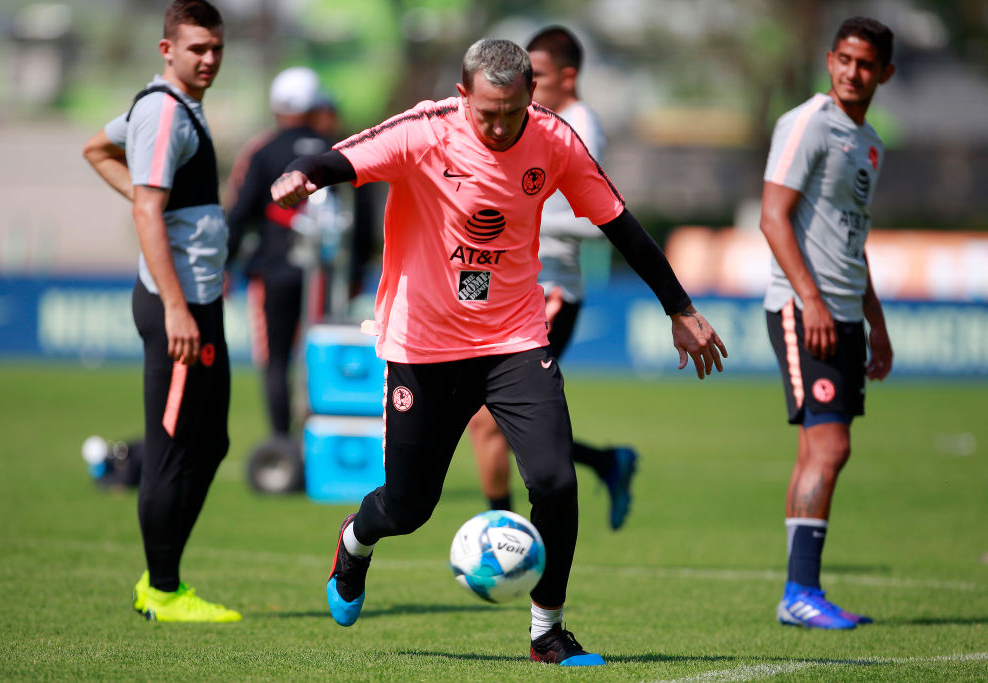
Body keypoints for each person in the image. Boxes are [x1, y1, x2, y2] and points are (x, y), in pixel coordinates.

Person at [270, 39, 727, 666]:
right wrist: (303, 177)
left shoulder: (554, 140)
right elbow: (341, 160)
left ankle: (548, 632)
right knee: (407, 508)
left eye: (512, 111)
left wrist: (680, 308)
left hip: (513, 340)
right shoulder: (425, 131)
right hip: (423, 348)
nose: (500, 125)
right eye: (487, 112)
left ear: (530, 97)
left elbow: (619, 223)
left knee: (555, 481)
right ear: (463, 97)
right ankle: (354, 542)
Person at [82, 0, 240, 623]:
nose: (209, 60)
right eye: (197, 48)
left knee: (213, 441)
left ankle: (162, 577)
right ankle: (165, 589)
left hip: (200, 303)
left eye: (217, 49)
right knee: (174, 449)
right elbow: (146, 209)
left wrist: (160, 209)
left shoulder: (170, 108)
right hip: (180, 310)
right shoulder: (164, 113)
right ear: (166, 49)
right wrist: (176, 308)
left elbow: (96, 149)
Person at [465, 26, 637, 530]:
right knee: (479, 413)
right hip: (498, 281)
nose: (526, 85)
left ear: (568, 75)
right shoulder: (527, 120)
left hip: (549, 287)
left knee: (489, 418)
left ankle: (503, 535)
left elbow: (598, 219)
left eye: (536, 75)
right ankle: (604, 463)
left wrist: (522, 219)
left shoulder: (579, 126)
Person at [760, 16, 894, 630]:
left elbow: (852, 240)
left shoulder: (869, 144)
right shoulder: (808, 122)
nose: (851, 72)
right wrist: (811, 300)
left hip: (843, 311)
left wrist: (877, 322)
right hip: (801, 306)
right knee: (831, 446)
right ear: (829, 58)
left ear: (884, 74)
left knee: (819, 448)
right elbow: (773, 216)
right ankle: (800, 591)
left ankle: (800, 594)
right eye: (843, 58)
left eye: (865, 64)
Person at [224, 67, 335, 440]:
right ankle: (319, 440)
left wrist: (223, 265)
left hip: (274, 270)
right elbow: (365, 216)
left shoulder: (263, 150)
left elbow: (239, 214)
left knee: (275, 361)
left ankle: (281, 445)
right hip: (325, 274)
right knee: (322, 359)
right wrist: (351, 276)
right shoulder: (338, 149)